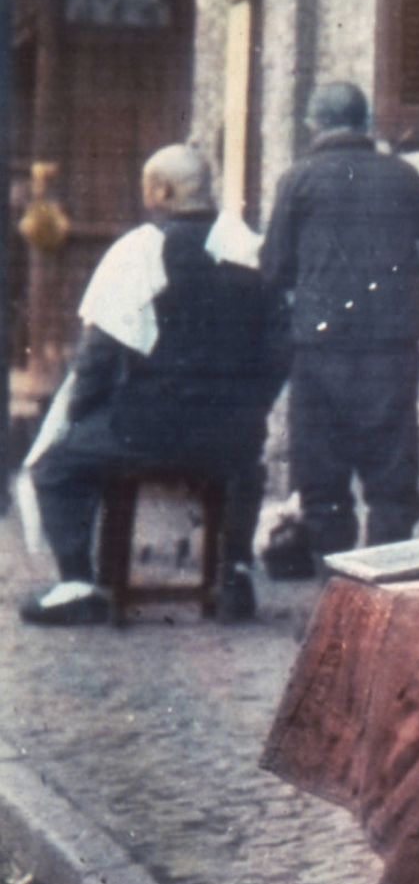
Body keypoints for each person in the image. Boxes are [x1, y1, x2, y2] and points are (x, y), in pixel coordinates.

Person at [21, 145, 288, 626]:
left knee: (55, 465)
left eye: (149, 186)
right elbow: (280, 352)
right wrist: (251, 409)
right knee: (244, 461)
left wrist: (79, 419)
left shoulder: (138, 252)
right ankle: (235, 575)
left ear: (162, 190)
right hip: (233, 434)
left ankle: (77, 584)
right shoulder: (254, 250)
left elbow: (97, 360)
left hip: (148, 431)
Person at [261, 81, 419, 555]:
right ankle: (385, 577)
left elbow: (273, 267)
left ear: (316, 124)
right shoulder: (403, 176)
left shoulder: (299, 180)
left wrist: (314, 279)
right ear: (366, 122)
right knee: (392, 467)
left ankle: (335, 583)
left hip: (320, 345)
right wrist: (402, 267)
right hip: (391, 344)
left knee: (321, 472)